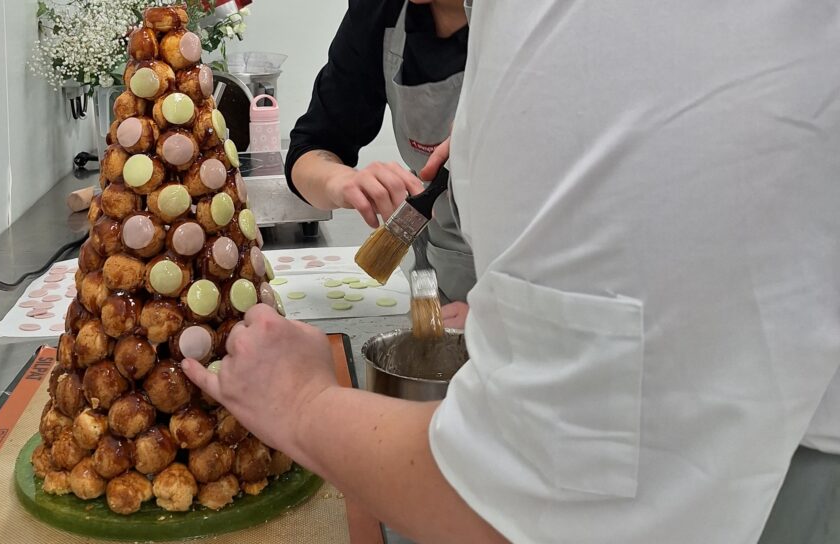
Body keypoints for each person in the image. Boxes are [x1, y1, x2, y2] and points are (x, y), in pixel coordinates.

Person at [184, 1, 840, 542]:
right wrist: (346, 182)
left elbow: (535, 494)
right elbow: (312, 149)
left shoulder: (589, 34)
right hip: (454, 293)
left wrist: (303, 403)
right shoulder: (393, 16)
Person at [285, 0, 475, 326]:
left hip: (551, 292)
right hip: (448, 290)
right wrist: (338, 181)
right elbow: (310, 149)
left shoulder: (543, 19)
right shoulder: (381, 11)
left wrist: (517, 311)